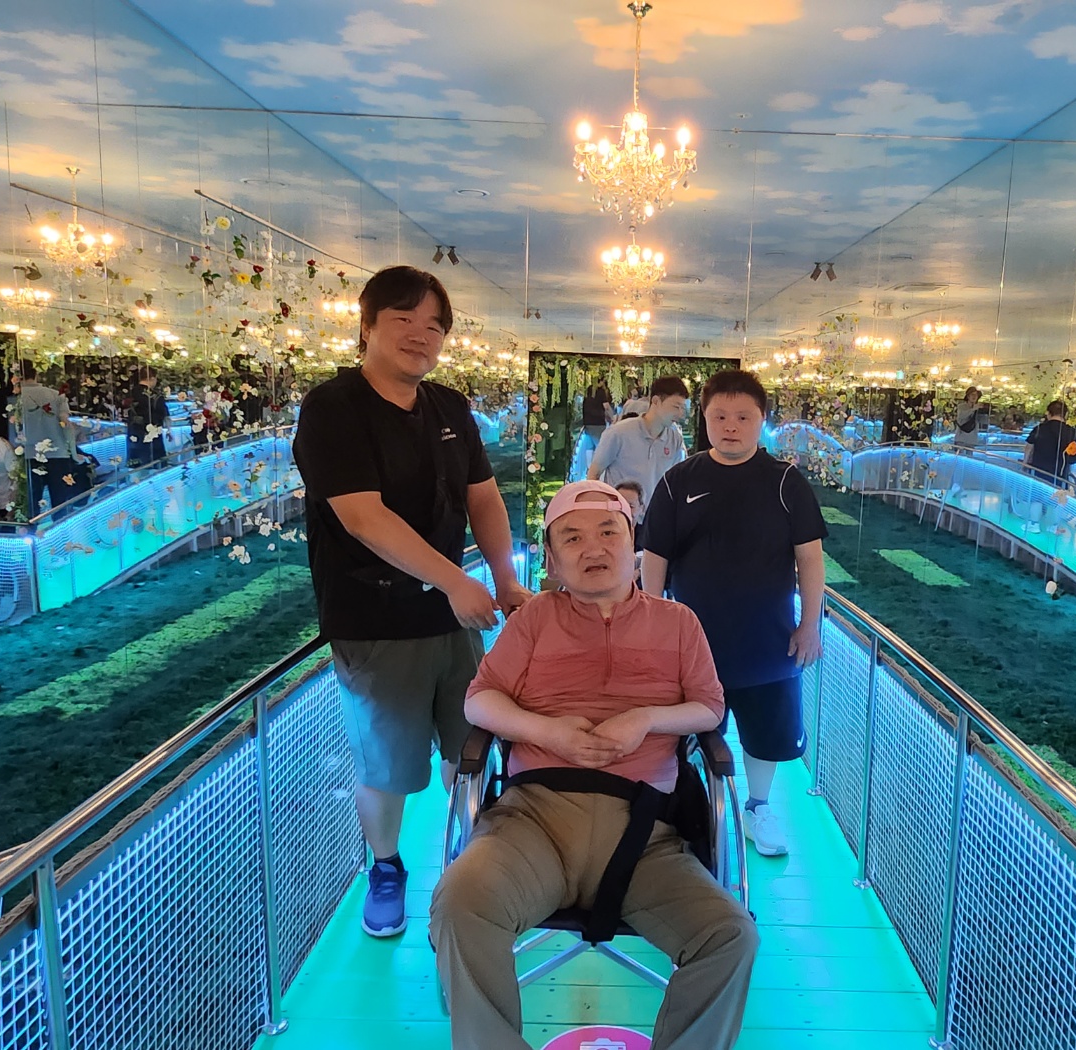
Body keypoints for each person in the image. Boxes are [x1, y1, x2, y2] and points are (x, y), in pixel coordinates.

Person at [430, 480, 758, 1050]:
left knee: (731, 937)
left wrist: (646, 719)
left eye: (609, 532)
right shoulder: (533, 620)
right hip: (533, 822)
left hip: (645, 835)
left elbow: (709, 707)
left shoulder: (679, 622)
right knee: (461, 904)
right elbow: (479, 700)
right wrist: (549, 731)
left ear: (634, 547)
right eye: (573, 538)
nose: (593, 548)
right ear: (552, 560)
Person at [293, 265, 530, 939]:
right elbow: (363, 517)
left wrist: (504, 578)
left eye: (434, 326)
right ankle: (386, 867)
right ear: (367, 326)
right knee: (388, 763)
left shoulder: (449, 408)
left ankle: (476, 868)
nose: (421, 336)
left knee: (472, 746)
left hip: (452, 619)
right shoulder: (333, 408)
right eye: (403, 320)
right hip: (374, 620)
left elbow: (482, 497)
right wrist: (456, 581)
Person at [641, 369, 827, 858]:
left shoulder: (785, 482)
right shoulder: (679, 480)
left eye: (743, 417)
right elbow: (655, 555)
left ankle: (757, 807)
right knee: (687, 734)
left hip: (769, 641)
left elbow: (810, 558)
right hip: (693, 643)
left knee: (767, 735)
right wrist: (651, 618)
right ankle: (689, 811)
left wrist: (810, 624)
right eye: (719, 415)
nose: (730, 426)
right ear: (703, 419)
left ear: (762, 420)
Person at [587, 376, 689, 515]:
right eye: (676, 407)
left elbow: (675, 481)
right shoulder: (619, 432)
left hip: (656, 517)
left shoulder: (674, 439)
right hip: (621, 515)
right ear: (656, 401)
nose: (680, 414)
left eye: (683, 408)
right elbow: (594, 473)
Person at [14, 362, 80, 518]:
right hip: (58, 454)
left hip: (30, 455)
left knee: (32, 505)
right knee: (60, 503)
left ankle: (31, 531)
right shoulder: (56, 395)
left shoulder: (18, 399)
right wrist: (74, 453)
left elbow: (16, 431)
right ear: (36, 374)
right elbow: (66, 426)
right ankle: (60, 531)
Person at [1025, 400, 1076, 483]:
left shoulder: (1040, 428)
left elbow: (1029, 448)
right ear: (1065, 414)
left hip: (1038, 472)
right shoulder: (1071, 431)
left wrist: (1025, 464)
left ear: (1048, 413)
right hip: (1060, 475)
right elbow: (1074, 454)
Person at [125, 367, 168, 468]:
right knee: (154, 465)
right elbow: (163, 414)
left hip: (133, 434)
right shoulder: (155, 396)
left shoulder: (129, 393)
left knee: (136, 465)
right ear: (152, 378)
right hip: (151, 436)